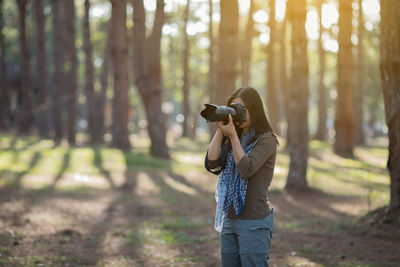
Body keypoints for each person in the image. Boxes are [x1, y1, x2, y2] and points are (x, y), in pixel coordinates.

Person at [205, 87, 278, 267]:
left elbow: (247, 168)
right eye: (233, 109)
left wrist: (232, 137)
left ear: (254, 110)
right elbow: (211, 164)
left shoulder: (266, 140)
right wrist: (221, 130)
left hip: (254, 223)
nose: (236, 114)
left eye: (240, 109)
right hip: (229, 219)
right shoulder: (233, 137)